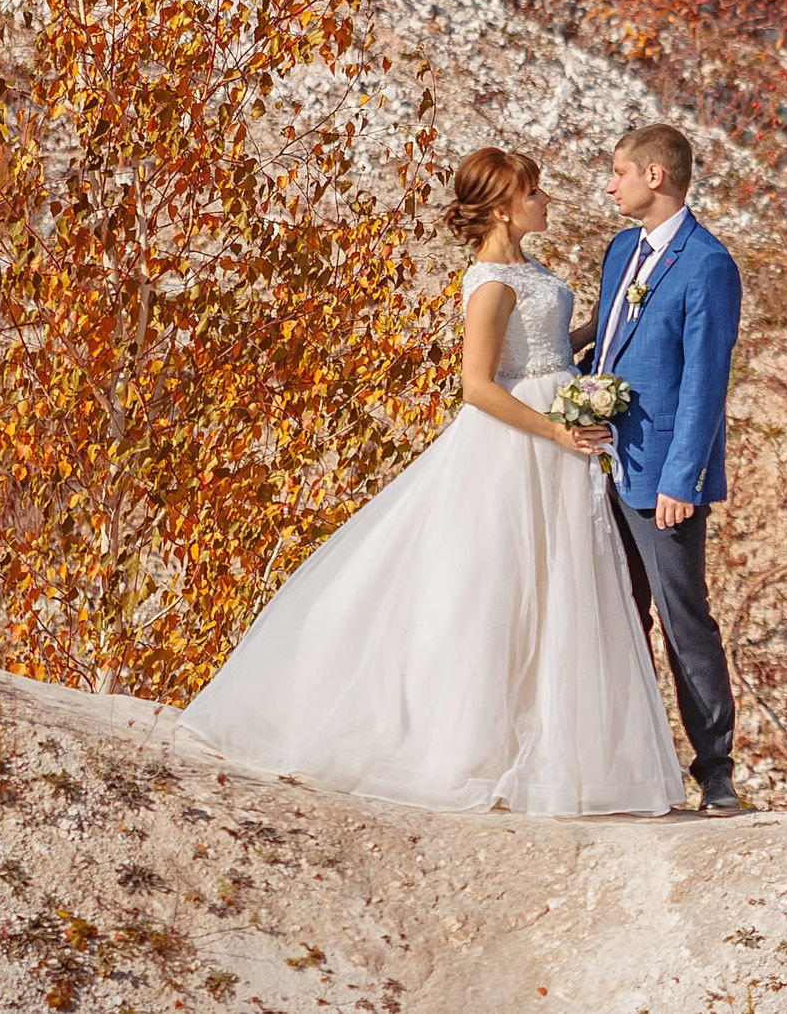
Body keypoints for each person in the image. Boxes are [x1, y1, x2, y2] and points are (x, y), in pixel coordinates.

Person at [177, 148, 684, 816]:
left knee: (555, 589)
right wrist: (556, 429)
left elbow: (556, 341)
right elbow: (476, 387)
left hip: (559, 442)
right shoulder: (490, 280)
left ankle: (540, 748)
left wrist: (623, 320)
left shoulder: (529, 270)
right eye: (532, 192)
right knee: (496, 587)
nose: (545, 200)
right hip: (521, 443)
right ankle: (469, 747)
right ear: (503, 207)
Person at [584, 123, 745, 816]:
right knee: (617, 619)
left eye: (619, 171)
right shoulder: (622, 249)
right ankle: (631, 768)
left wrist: (685, 477)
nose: (609, 183)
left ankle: (716, 772)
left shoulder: (707, 263)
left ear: (656, 176)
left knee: (685, 620)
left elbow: (706, 381)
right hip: (601, 465)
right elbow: (606, 345)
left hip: (663, 479)